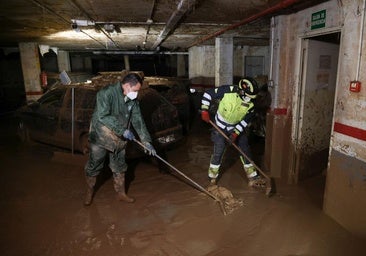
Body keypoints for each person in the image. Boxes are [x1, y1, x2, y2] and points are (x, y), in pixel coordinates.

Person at [84, 73, 156, 206]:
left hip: (120, 138)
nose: (136, 94)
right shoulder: (106, 93)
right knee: (94, 165)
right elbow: (103, 116)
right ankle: (89, 191)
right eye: (136, 90)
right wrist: (123, 130)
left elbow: (138, 119)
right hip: (101, 136)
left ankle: (121, 194)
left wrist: (146, 141)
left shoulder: (132, 98)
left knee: (120, 166)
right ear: (127, 86)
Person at [200, 77, 266, 188]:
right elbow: (208, 94)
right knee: (219, 149)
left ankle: (253, 177)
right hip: (219, 126)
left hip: (235, 126)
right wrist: (204, 110)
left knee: (244, 148)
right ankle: (212, 178)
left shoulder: (252, 106)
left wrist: (235, 133)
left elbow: (244, 121)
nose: (250, 100)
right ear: (241, 91)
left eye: (252, 98)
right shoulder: (228, 90)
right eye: (248, 97)